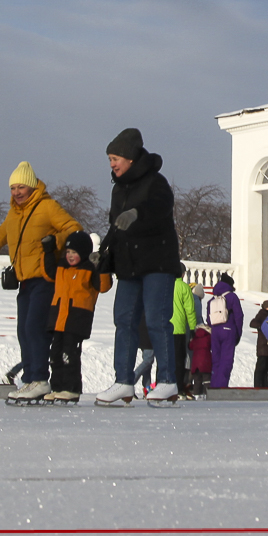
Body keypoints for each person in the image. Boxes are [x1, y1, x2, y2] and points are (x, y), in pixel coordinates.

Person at [0, 161, 83, 401]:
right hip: (25, 282)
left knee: (34, 328)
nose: (17, 192)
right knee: (23, 331)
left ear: (32, 187)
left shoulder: (47, 207)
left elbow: (74, 228)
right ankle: (30, 379)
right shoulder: (13, 214)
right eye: (12, 188)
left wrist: (54, 241)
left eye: (21, 187)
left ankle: (39, 378)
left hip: (45, 279)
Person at [92, 128, 183, 406]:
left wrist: (137, 213)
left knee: (157, 321)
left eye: (115, 158)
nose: (112, 164)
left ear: (131, 158)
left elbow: (160, 207)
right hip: (129, 265)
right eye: (109, 159)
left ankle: (168, 381)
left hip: (157, 262)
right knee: (124, 321)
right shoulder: (118, 189)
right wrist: (103, 253)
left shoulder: (156, 182)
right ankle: (123, 382)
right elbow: (115, 226)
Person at [43, 231, 111, 401]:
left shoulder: (89, 268)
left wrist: (102, 265)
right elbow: (48, 272)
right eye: (68, 252)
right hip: (59, 319)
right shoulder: (61, 267)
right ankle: (58, 387)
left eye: (74, 252)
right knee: (56, 355)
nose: (70, 256)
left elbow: (103, 286)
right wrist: (49, 251)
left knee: (69, 355)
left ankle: (72, 388)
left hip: (76, 319)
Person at [206, 274, 243, 389]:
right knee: (226, 361)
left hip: (215, 332)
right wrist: (237, 334)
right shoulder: (232, 297)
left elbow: (209, 319)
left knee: (216, 360)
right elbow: (239, 316)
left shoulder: (212, 299)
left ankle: (214, 385)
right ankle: (221, 387)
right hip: (228, 330)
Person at [172, 272, 200, 398]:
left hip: (165, 327)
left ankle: (162, 384)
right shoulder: (184, 287)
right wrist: (193, 328)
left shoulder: (166, 285)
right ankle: (178, 387)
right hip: (179, 328)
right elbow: (190, 310)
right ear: (183, 274)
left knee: (165, 358)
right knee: (179, 359)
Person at [251, 300, 268, 388]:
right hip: (264, 346)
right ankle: (258, 386)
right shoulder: (262, 314)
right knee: (261, 367)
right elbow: (253, 323)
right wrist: (263, 326)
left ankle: (267, 386)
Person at [188, 325, 213, 397]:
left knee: (197, 380)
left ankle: (196, 394)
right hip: (206, 362)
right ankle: (208, 394)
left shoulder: (195, 338)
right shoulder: (209, 337)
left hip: (196, 364)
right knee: (207, 380)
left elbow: (190, 346)